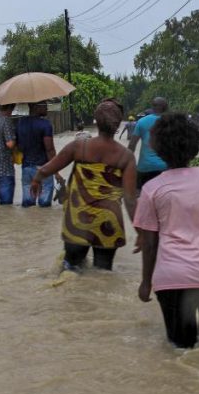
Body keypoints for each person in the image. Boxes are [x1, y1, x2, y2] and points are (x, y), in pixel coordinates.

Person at [133, 113, 199, 348]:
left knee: (181, 349)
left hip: (173, 280)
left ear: (157, 147)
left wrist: (146, 282)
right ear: (195, 145)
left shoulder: (151, 189)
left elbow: (149, 243)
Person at [30, 98, 137, 271]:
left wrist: (36, 180)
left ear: (96, 121)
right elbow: (130, 199)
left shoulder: (79, 147)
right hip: (109, 223)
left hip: (78, 221)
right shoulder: (126, 157)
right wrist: (140, 230)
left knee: (70, 269)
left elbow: (46, 169)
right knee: (103, 274)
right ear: (118, 125)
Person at [16, 101, 63, 207]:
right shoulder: (45, 124)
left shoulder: (20, 123)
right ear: (35, 107)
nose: (47, 108)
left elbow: (19, 147)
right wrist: (56, 171)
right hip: (44, 169)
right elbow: (50, 149)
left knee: (28, 205)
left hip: (26, 168)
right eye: (44, 106)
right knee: (44, 204)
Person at [128, 97, 168, 190]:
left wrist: (127, 166)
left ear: (152, 107)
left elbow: (132, 145)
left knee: (140, 198)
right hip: (165, 168)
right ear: (165, 107)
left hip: (144, 167)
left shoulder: (142, 121)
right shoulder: (171, 122)